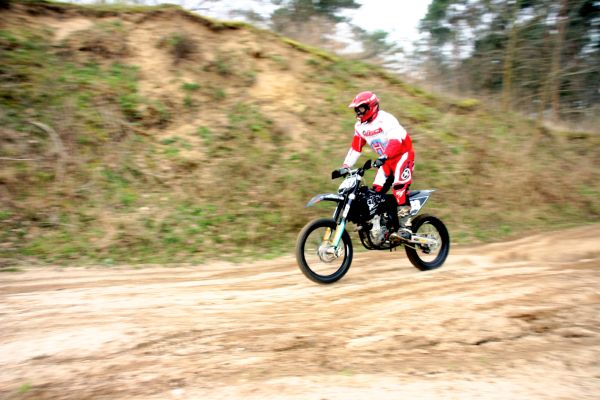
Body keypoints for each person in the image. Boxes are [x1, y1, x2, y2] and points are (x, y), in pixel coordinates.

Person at [339, 91, 415, 242]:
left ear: (371, 107)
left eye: (361, 108)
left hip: (402, 156)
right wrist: (345, 166)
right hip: (386, 161)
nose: (358, 112)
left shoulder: (386, 119)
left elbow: (395, 141)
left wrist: (385, 156)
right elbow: (355, 148)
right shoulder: (360, 127)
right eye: (356, 109)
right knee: (375, 194)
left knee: (399, 188)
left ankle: (406, 227)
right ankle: (383, 224)